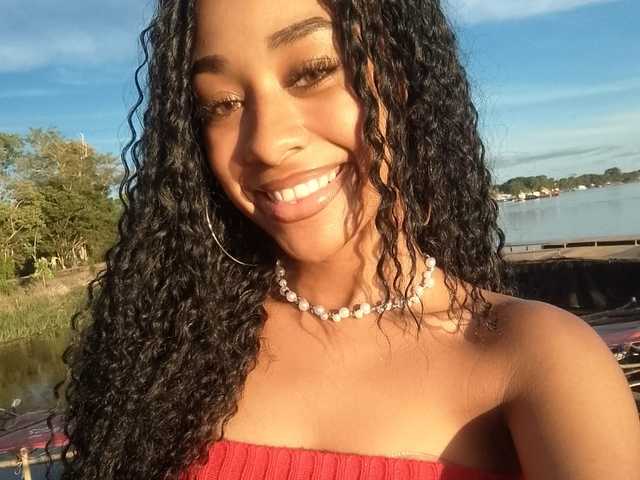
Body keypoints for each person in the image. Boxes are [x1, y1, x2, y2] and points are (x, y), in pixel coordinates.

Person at [53, 0, 640, 479]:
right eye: (221, 104)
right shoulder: (170, 347)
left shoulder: (535, 359)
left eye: (312, 72)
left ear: (403, 76)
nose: (265, 143)